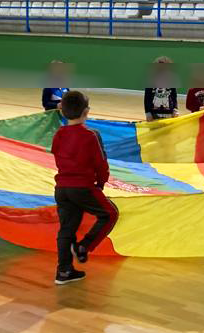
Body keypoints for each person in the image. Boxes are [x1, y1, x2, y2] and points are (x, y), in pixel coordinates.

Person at [52, 91, 119, 285]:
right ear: (86, 111)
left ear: (62, 111)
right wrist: (100, 184)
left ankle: (63, 271)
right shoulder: (90, 136)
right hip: (82, 187)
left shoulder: (59, 134)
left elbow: (57, 157)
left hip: (62, 188)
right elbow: (101, 164)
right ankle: (83, 247)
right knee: (110, 214)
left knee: (66, 229)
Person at [145, 56, 179, 121]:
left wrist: (175, 109)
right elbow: (147, 98)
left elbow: (174, 96)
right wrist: (147, 113)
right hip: (154, 115)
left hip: (169, 114)